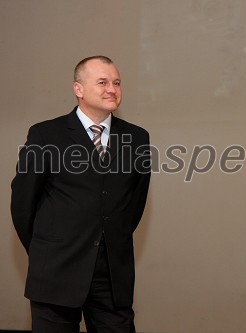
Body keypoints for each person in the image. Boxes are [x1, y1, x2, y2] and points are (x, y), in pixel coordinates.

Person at [11, 55, 151, 332]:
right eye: (102, 82)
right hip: (55, 271)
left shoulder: (137, 138)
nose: (112, 89)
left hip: (111, 276)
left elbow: (133, 204)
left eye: (117, 82)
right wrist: (46, 250)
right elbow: (23, 203)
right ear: (78, 89)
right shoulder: (45, 135)